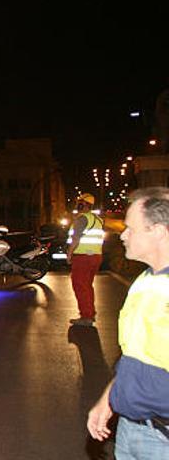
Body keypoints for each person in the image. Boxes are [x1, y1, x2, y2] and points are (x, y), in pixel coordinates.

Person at [87, 187, 169, 458]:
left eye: (131, 228)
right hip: (132, 429)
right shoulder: (146, 281)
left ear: (157, 231)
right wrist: (108, 399)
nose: (122, 235)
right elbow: (135, 354)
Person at [67, 192, 105, 326]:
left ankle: (86, 317)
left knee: (80, 286)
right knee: (87, 286)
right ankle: (90, 313)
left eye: (79, 203)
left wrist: (69, 253)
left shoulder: (82, 219)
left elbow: (76, 238)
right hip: (96, 256)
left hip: (83, 257)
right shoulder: (98, 219)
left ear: (83, 204)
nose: (77, 205)